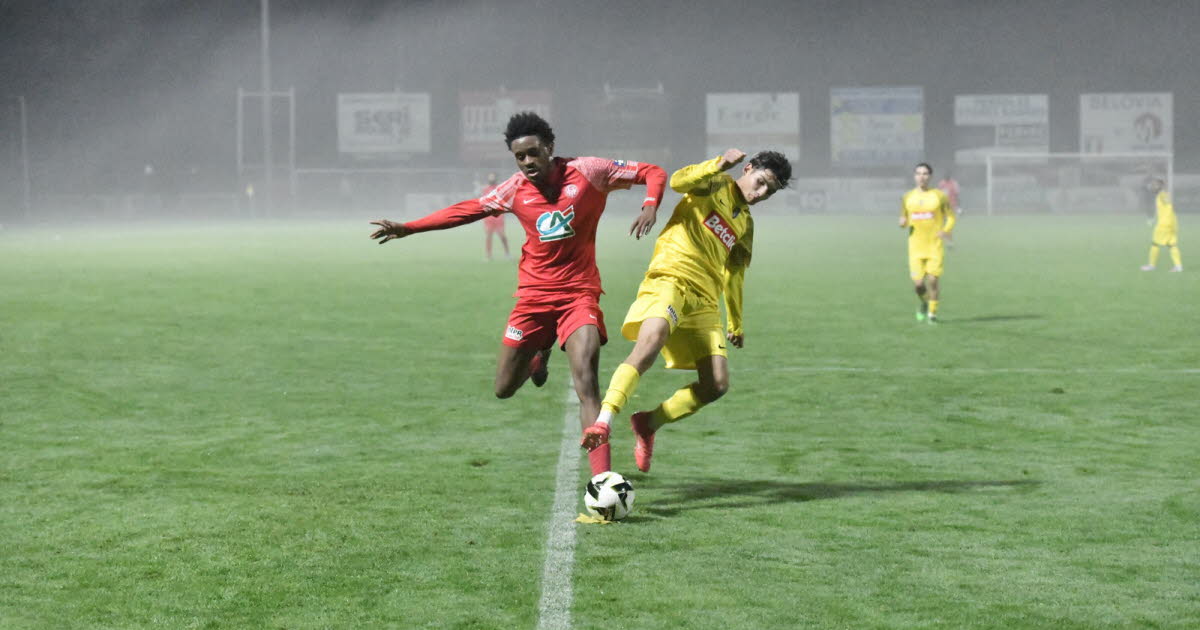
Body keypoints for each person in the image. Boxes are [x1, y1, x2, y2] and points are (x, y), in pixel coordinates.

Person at [369, 112, 667, 474]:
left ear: (550, 148)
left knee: (587, 382)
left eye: (533, 153)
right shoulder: (514, 188)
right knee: (503, 388)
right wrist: (409, 228)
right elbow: (468, 210)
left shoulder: (590, 170)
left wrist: (650, 204)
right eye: (519, 157)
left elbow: (653, 171)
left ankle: (602, 479)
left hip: (579, 294)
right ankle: (538, 356)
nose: (527, 163)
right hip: (533, 298)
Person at [579, 148, 792, 473]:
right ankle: (604, 421)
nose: (760, 194)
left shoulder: (745, 223)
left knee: (716, 385)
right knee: (650, 342)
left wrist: (736, 321)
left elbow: (734, 272)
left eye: (769, 192)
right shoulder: (714, 183)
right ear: (747, 169)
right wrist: (719, 163)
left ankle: (648, 424)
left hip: (704, 300)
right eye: (760, 183)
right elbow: (679, 180)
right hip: (672, 279)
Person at [900, 162, 956, 323]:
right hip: (915, 248)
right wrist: (902, 222)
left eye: (925, 173)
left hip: (934, 246)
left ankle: (932, 314)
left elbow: (951, 216)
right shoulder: (907, 197)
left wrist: (945, 230)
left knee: (933, 280)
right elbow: (903, 218)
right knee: (918, 285)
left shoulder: (939, 196)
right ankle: (924, 301)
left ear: (930, 176)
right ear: (914, 176)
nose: (921, 177)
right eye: (918, 173)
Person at [1140, 177, 1183, 272]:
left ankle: (1151, 265)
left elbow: (1167, 204)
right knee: (1172, 245)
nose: (1152, 187)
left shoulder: (1162, 195)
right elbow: (1166, 208)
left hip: (1164, 224)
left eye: (1154, 185)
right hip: (1172, 223)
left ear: (1159, 187)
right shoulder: (1163, 195)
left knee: (1155, 244)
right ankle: (1178, 266)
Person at [479, 172, 512, 261]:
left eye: (493, 177)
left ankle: (507, 253)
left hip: (498, 217)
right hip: (489, 217)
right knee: (488, 236)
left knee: (502, 236)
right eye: (490, 177)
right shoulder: (485, 189)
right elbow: (483, 202)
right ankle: (488, 255)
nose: (491, 179)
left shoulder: (499, 188)